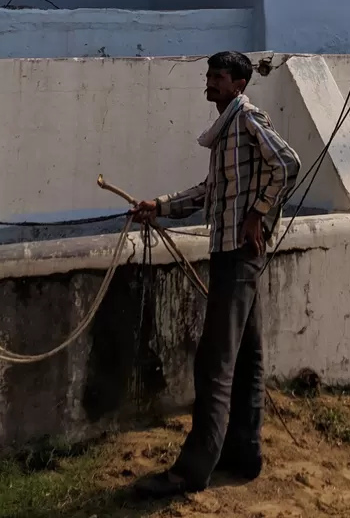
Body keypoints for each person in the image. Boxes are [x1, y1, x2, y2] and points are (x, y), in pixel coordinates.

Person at [130, 50, 301, 498]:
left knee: (215, 363)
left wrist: (257, 216)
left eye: (219, 77)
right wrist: (161, 208)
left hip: (237, 255)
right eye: (209, 75)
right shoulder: (227, 130)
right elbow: (211, 192)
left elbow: (288, 164)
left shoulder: (246, 120)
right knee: (246, 357)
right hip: (233, 255)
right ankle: (243, 453)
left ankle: (193, 469)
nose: (210, 82)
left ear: (239, 84)